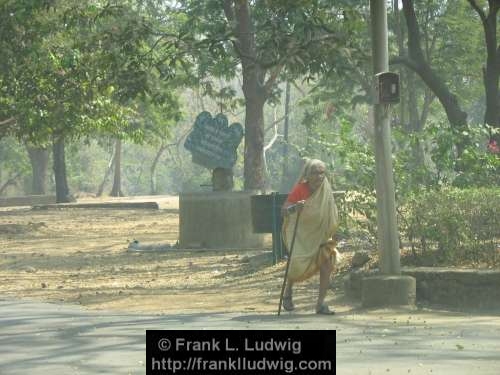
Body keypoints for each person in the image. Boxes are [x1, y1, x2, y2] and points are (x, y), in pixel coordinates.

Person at [281, 158, 339, 315]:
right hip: (301, 235)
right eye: (314, 173)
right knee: (297, 263)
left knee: (327, 264)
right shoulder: (300, 189)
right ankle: (288, 290)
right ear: (308, 174)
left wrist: (334, 231)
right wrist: (295, 207)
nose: (319, 177)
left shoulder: (326, 189)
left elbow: (331, 212)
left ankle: (320, 304)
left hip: (321, 234)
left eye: (321, 173)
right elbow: (284, 210)